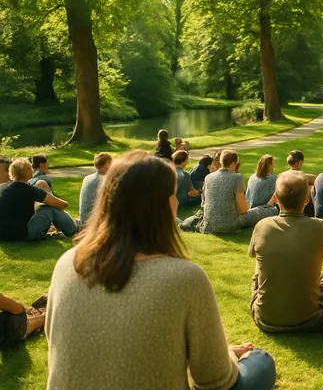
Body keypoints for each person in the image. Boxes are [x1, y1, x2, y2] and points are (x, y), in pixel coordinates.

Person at [45, 151, 276, 390]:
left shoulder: (67, 263)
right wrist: (229, 355)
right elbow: (214, 379)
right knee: (260, 361)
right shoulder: (184, 277)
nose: (176, 201)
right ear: (161, 205)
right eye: (172, 194)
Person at [248, 170, 323, 333]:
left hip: (264, 318)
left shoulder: (262, 226)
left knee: (259, 266)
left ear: (275, 198)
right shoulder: (318, 227)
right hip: (312, 320)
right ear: (307, 198)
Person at [183, 150, 274, 234]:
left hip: (209, 224)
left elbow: (204, 203)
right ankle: (274, 210)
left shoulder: (208, 177)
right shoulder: (237, 178)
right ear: (234, 163)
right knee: (259, 211)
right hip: (230, 225)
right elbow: (242, 209)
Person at [0, 158, 76, 242]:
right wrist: (43, 205)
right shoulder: (30, 190)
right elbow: (62, 204)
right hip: (23, 236)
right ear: (28, 171)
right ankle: (73, 230)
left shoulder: (1, 188)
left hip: (3, 235)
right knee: (47, 208)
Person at [78, 152, 112, 225]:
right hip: (96, 223)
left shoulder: (87, 178)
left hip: (84, 220)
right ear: (107, 163)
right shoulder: (107, 180)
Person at [245, 155, 278, 220]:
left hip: (251, 208)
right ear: (270, 166)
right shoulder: (274, 178)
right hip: (265, 210)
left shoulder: (252, 177)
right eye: (273, 164)